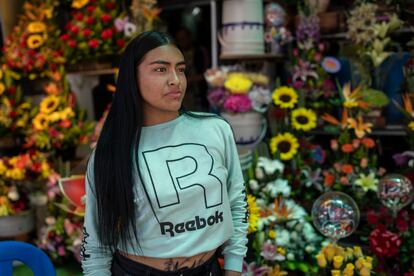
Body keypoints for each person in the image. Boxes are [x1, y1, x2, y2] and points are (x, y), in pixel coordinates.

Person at [81, 31, 248, 276]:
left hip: (209, 269)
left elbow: (237, 202)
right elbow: (96, 245)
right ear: (132, 78)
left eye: (180, 69)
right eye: (161, 70)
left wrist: (233, 268)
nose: (175, 80)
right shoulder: (110, 152)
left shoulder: (215, 129)